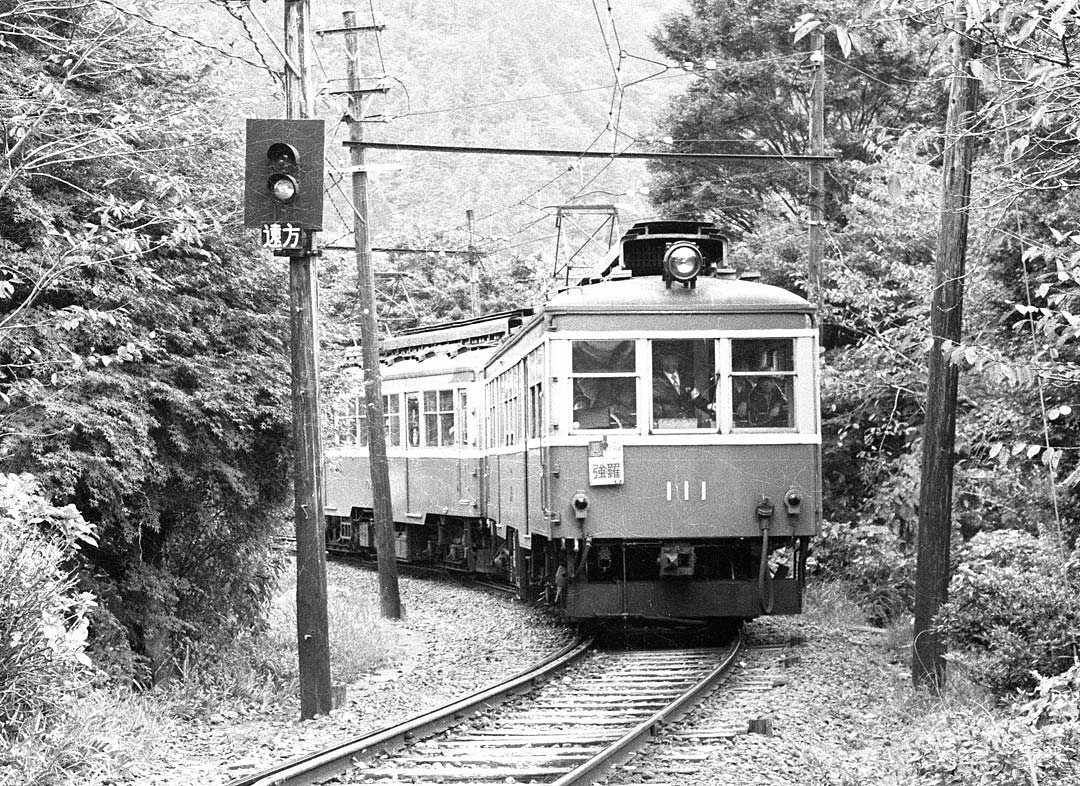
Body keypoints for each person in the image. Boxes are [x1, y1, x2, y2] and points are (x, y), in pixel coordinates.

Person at [652, 351, 711, 420]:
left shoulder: (686, 378)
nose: (671, 363)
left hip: (689, 422)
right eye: (667, 360)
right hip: (667, 424)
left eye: (674, 359)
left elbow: (696, 398)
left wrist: (709, 406)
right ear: (661, 362)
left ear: (678, 361)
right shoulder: (655, 381)